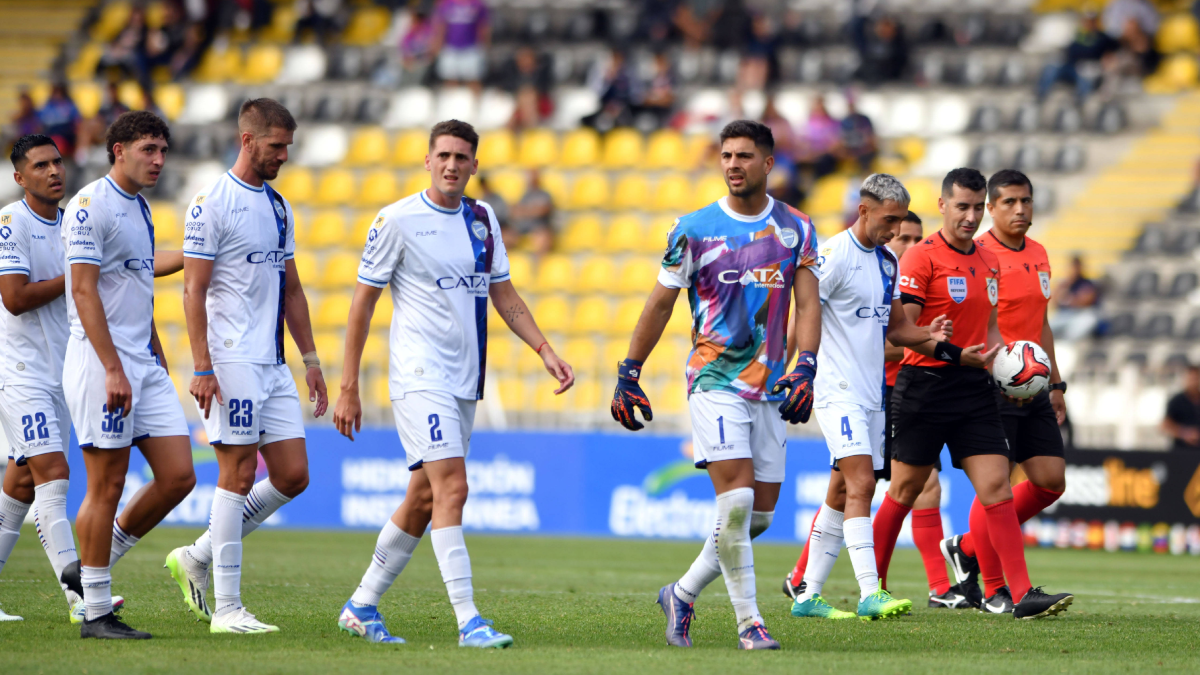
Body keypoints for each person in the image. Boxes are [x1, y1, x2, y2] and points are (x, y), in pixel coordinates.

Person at [333, 119, 574, 647]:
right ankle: (469, 621)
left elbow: (504, 295)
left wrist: (544, 348)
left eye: (461, 157)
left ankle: (361, 605)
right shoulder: (396, 220)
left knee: (422, 499)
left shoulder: (482, 218)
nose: (450, 165)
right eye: (442, 155)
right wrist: (348, 385)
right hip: (420, 377)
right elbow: (362, 305)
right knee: (453, 488)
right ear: (427, 160)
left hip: (465, 380)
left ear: (474, 165)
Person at [614, 120, 820, 650]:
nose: (733, 164)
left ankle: (680, 593)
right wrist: (629, 370)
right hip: (714, 380)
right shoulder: (694, 228)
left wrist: (807, 365)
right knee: (735, 505)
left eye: (745, 156)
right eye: (727, 155)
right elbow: (660, 301)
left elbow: (808, 303)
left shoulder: (796, 228)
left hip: (771, 387)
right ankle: (750, 623)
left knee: (758, 517)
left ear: (768, 164)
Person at [870, 167, 1073, 621]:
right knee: (903, 491)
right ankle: (874, 587)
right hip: (924, 388)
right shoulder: (920, 258)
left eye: (977, 207)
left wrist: (1009, 365)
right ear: (942, 205)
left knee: (998, 487)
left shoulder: (987, 261)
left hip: (975, 388)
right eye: (962, 206)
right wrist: (945, 345)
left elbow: (993, 327)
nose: (970, 216)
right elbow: (903, 332)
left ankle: (1020, 595)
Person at [165, 99, 329, 635]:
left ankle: (197, 555)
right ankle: (228, 608)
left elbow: (294, 289)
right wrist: (202, 365)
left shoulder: (279, 207)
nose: (284, 154)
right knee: (236, 474)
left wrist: (311, 361)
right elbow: (194, 287)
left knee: (292, 475)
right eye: (276, 145)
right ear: (247, 139)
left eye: (288, 145)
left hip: (273, 360)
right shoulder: (212, 201)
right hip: (230, 359)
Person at [787, 175, 953, 622]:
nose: (897, 230)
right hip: (836, 389)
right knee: (862, 484)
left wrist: (931, 339)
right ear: (864, 211)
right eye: (890, 220)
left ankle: (807, 596)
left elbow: (898, 330)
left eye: (901, 220)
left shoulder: (886, 262)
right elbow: (802, 314)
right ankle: (869, 592)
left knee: (843, 491)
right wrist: (790, 370)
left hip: (871, 394)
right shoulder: (833, 256)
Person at [61, 111, 195, 639]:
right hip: (102, 363)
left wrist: (195, 252)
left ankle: (91, 565)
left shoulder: (139, 207)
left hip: (142, 359)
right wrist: (114, 368)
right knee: (107, 483)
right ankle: (95, 612)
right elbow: (84, 291)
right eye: (148, 150)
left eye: (163, 150)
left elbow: (139, 274)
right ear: (118, 149)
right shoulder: (90, 205)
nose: (159, 160)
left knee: (179, 475)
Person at [0, 135, 129, 623]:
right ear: (20, 177)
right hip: (21, 373)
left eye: (57, 162)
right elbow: (14, 297)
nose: (54, 171)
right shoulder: (11, 222)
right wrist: (81, 276)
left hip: (63, 373)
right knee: (53, 476)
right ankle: (80, 598)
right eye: (40, 165)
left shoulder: (77, 218)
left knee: (19, 487)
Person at [943, 169, 1069, 615]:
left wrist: (1054, 383)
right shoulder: (979, 255)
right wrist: (997, 374)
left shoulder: (1039, 253)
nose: (1020, 209)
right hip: (991, 388)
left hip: (1034, 387)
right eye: (1010, 202)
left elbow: (1043, 325)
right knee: (995, 487)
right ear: (990, 208)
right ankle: (996, 589)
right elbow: (975, 323)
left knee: (1051, 481)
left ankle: (968, 546)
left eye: (1027, 201)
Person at [1036, 11, 1119, 104]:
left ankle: (1081, 103)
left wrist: (1107, 58)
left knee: (1085, 72)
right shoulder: (1078, 36)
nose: (1089, 23)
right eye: (1087, 21)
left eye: (1092, 21)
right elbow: (1068, 52)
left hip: (1089, 67)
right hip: (1071, 67)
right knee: (1051, 68)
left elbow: (1115, 48)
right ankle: (1040, 97)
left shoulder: (1103, 38)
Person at [432, 0, 490, 91]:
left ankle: (474, 104)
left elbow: (483, 26)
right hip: (450, 47)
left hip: (471, 48)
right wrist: (437, 45)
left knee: (473, 79)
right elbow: (441, 26)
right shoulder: (446, 4)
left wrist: (484, 46)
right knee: (450, 79)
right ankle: (452, 103)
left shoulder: (477, 4)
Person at [1048, 255, 1100, 340]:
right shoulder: (1064, 284)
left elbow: (1084, 303)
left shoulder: (1086, 284)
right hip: (1064, 315)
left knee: (1086, 321)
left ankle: (1066, 342)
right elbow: (1053, 302)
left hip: (1080, 315)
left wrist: (1068, 299)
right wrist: (1066, 286)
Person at [505, 170, 554, 255]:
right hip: (523, 228)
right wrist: (532, 211)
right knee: (504, 238)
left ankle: (539, 265)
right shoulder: (525, 195)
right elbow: (515, 211)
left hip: (539, 227)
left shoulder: (544, 194)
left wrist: (526, 211)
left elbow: (544, 210)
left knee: (542, 240)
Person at [837, 95, 877, 175]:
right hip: (850, 150)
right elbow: (841, 139)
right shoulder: (844, 121)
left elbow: (871, 138)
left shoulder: (864, 119)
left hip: (864, 150)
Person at [1163, 365, 1200, 450]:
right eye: (1191, 378)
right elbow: (1165, 425)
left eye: (1196, 378)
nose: (1193, 382)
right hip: (1181, 451)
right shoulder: (1176, 401)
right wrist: (1184, 433)